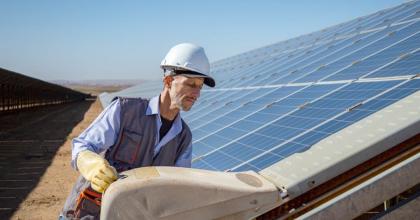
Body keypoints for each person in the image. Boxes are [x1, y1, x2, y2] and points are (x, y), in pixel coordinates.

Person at [60, 43, 215, 219]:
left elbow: (178, 187)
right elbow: (82, 145)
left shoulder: (183, 137)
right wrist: (91, 165)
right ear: (168, 81)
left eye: (200, 87)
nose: (197, 94)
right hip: (86, 213)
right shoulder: (125, 110)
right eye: (191, 84)